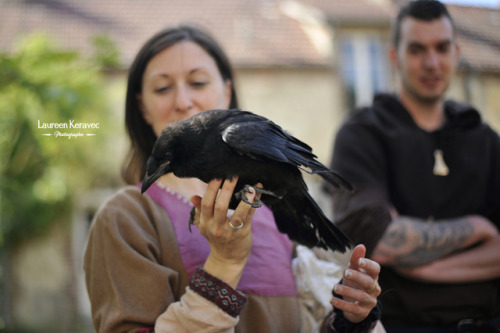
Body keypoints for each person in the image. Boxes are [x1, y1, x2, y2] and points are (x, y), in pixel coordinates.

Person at [84, 24, 383, 332]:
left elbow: (318, 319)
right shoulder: (127, 218)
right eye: (162, 88)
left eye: (198, 82)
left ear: (226, 92)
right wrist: (224, 264)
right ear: (141, 107)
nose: (183, 101)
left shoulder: (270, 200)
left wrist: (353, 319)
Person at [328, 0, 500, 331]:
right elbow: (381, 243)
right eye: (417, 49)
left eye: (442, 47)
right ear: (394, 56)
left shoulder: (484, 139)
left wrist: (421, 265)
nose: (432, 62)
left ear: (457, 52)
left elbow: (396, 243)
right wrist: (480, 228)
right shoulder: (362, 134)